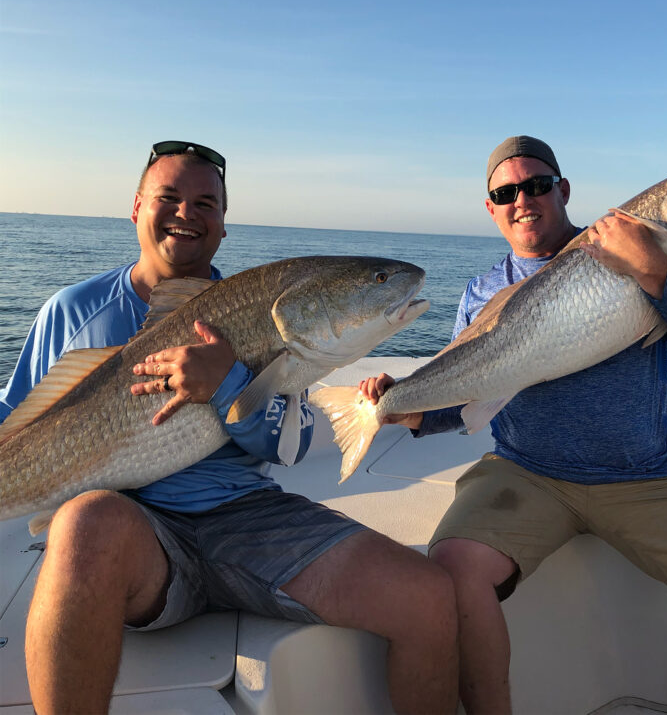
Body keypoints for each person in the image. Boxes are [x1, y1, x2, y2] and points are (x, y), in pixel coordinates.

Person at [0, 141, 458, 715]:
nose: (186, 213)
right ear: (136, 206)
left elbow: (284, 447)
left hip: (249, 520)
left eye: (205, 204)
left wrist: (229, 385)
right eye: (169, 198)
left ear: (222, 228)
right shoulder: (72, 311)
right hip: (136, 538)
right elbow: (15, 422)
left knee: (431, 596)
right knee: (87, 520)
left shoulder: (258, 310)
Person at [360, 135, 667, 714]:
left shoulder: (631, 247)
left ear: (563, 189)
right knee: (454, 570)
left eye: (536, 185)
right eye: (506, 192)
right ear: (491, 207)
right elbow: (470, 394)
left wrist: (654, 270)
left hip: (645, 477)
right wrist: (416, 412)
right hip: (525, 473)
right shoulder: (481, 290)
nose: (522, 200)